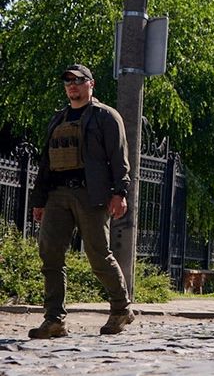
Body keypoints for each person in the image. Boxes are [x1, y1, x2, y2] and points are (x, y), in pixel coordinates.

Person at [27, 64, 134, 339]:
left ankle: (121, 308)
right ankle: (54, 320)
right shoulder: (58, 119)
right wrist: (39, 200)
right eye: (68, 81)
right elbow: (46, 162)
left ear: (91, 84)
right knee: (50, 255)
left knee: (98, 255)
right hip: (57, 194)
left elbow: (119, 159)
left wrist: (120, 193)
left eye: (78, 80)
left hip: (91, 195)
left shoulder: (106, 117)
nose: (72, 85)